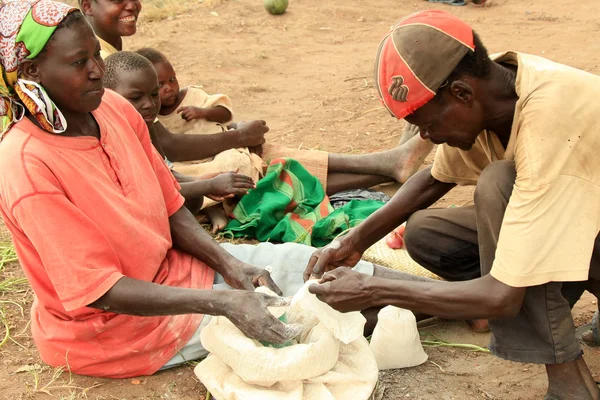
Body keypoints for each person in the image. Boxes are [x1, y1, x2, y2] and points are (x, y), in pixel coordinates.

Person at [305, 10, 600, 400]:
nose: (426, 136)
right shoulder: (495, 96)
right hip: (585, 229)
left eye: (426, 124)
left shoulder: (547, 118)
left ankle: (570, 386)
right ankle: (523, 308)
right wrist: (354, 241)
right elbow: (432, 180)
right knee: (428, 232)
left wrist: (374, 290)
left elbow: (502, 296)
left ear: (462, 93)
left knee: (497, 186)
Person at [0, 1, 303, 378]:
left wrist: (230, 264)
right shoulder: (26, 164)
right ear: (32, 71)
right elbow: (101, 291)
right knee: (311, 322)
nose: (98, 71)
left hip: (178, 275)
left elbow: (170, 202)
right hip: (116, 331)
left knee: (330, 273)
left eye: (97, 54)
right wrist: (223, 302)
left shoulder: (112, 108)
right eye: (80, 63)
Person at [135, 46, 435, 196]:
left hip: (219, 155)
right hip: (205, 173)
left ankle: (391, 163)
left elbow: (219, 114)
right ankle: (392, 166)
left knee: (295, 159)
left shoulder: (181, 98)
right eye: (152, 90)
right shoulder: (136, 102)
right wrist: (238, 138)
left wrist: (235, 131)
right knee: (291, 175)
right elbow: (171, 148)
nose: (162, 94)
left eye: (166, 83)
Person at [103, 51, 255, 225]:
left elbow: (165, 173)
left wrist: (202, 181)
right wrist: (208, 185)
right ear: (106, 96)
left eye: (154, 94)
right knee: (187, 197)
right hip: (129, 216)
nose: (149, 104)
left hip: (155, 201)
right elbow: (152, 190)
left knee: (193, 197)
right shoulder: (109, 137)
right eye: (136, 98)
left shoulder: (145, 124)